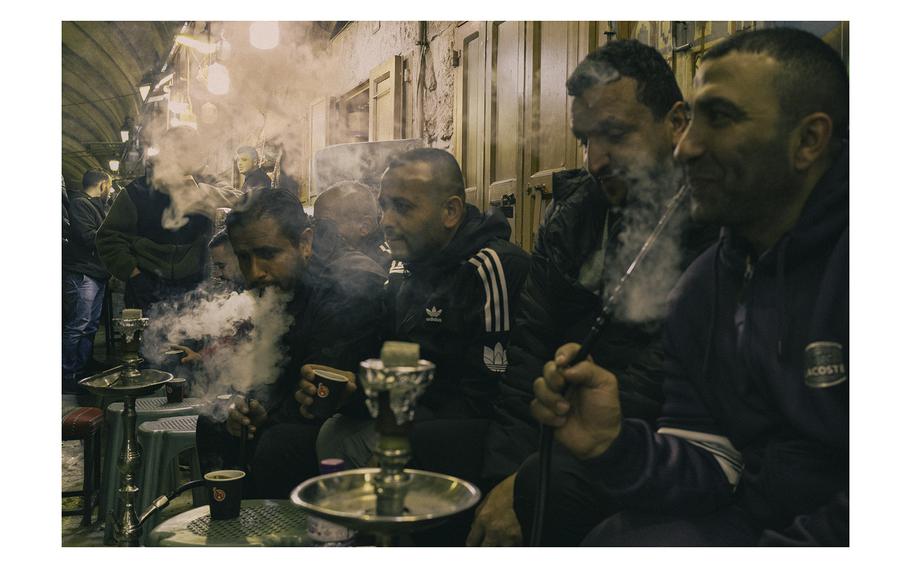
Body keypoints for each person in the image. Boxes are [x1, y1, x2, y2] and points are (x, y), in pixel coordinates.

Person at [516, 27, 848, 546]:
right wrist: (614, 446)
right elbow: (710, 461)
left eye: (720, 119)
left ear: (808, 140)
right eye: (692, 120)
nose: (688, 146)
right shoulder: (707, 285)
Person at [467, 39, 716, 546]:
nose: (596, 160)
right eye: (586, 140)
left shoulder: (713, 220)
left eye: (615, 135)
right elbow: (528, 356)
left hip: (651, 440)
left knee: (545, 486)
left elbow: (667, 369)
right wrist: (505, 478)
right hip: (559, 426)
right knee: (446, 456)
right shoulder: (573, 220)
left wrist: (531, 476)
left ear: (676, 123)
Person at [305, 148, 530, 472]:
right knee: (335, 432)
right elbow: (393, 359)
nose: (387, 222)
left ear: (450, 211)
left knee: (402, 444)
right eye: (383, 207)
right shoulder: (404, 265)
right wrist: (353, 391)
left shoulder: (491, 268)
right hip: (421, 415)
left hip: (478, 433)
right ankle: (356, 518)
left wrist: (399, 434)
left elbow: (490, 399)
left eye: (403, 207)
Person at [195, 188, 386, 499]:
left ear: (305, 243)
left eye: (268, 254)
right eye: (244, 257)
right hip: (291, 410)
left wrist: (266, 412)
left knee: (277, 444)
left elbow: (319, 395)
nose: (254, 272)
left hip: (343, 421)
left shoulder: (347, 286)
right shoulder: (280, 283)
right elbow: (266, 366)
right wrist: (242, 405)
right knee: (214, 423)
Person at [96, 127, 241, 313]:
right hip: (147, 285)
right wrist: (134, 274)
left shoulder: (205, 183)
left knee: (191, 339)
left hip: (195, 286)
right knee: (149, 340)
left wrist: (200, 192)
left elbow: (239, 199)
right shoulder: (136, 191)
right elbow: (108, 238)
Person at [62, 169, 113, 392]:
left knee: (90, 325)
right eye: (109, 187)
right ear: (102, 185)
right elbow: (87, 237)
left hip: (96, 273)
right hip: (83, 273)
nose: (109, 192)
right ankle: (67, 373)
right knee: (78, 325)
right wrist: (112, 231)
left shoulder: (94, 205)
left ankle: (83, 366)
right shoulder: (80, 204)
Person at [313, 181, 391, 272]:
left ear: (365, 227)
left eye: (326, 225)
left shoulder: (383, 266)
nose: (318, 232)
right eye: (316, 224)